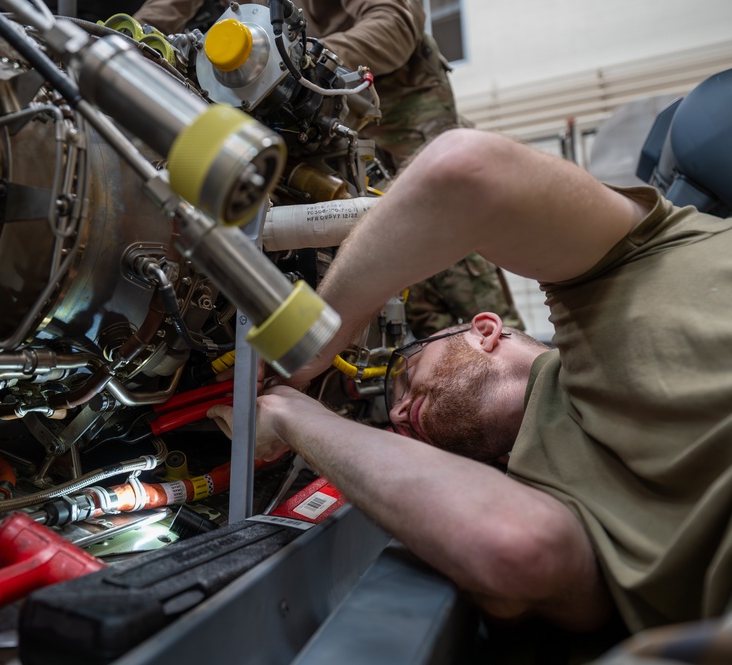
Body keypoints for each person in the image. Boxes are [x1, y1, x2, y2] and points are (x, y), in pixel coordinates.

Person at [208, 127, 732, 635]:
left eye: (406, 374)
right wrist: (292, 415)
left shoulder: (614, 282)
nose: (395, 414)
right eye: (399, 423)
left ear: (485, 330)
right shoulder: (541, 494)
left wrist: (312, 347)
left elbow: (464, 172)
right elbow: (515, 550)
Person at [129, 0, 524, 338]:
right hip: (298, 97)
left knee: (436, 206)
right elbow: (163, 12)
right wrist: (123, 42)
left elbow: (394, 20)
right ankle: (426, 350)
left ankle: (504, 342)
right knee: (370, 221)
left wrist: (302, 61)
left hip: (400, 88)